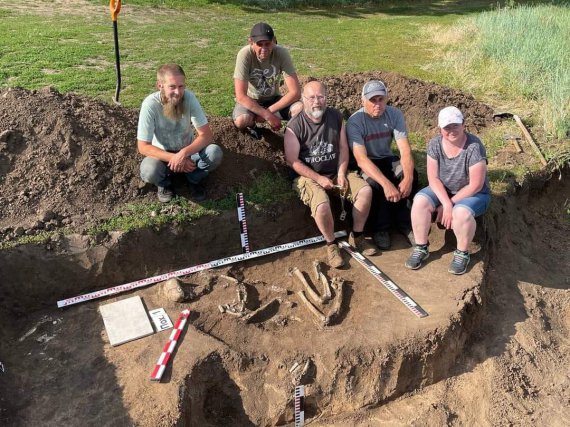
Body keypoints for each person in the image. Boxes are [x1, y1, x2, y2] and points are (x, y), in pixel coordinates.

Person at [284, 80, 377, 268]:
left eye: (320, 97)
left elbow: (343, 148)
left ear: (326, 98)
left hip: (335, 171)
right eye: (311, 98)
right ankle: (331, 244)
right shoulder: (294, 126)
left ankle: (357, 236)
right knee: (322, 205)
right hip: (309, 176)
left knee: (365, 191)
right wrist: (318, 178)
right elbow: (292, 160)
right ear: (303, 99)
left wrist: (342, 173)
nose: (316, 102)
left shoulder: (335, 117)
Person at [405, 106, 491, 275]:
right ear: (440, 129)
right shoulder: (435, 144)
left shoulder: (474, 147)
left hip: (474, 194)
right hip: (444, 189)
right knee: (420, 201)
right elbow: (433, 178)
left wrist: (449, 204)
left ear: (463, 125)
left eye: (455, 125)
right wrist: (445, 202)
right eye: (447, 127)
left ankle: (462, 253)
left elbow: (475, 185)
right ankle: (421, 247)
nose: (451, 131)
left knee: (461, 213)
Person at [346, 80, 418, 250]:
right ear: (363, 101)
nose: (377, 104)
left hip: (387, 157)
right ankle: (380, 229)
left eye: (381, 99)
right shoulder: (355, 122)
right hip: (368, 161)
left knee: (408, 175)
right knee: (374, 184)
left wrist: (408, 177)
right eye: (373, 100)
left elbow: (405, 150)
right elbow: (361, 159)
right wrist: (386, 184)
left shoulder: (395, 115)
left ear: (386, 99)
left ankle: (405, 224)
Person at [137, 63, 223, 203]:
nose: (178, 92)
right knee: (148, 170)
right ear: (160, 85)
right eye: (172, 87)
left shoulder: (189, 98)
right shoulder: (150, 105)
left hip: (188, 153)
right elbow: (143, 147)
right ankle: (165, 183)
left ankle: (193, 179)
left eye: (181, 86)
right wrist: (173, 158)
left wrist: (183, 154)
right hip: (162, 156)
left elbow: (206, 135)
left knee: (214, 153)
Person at [233, 22, 303, 138]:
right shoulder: (244, 55)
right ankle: (255, 129)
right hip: (251, 101)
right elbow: (240, 96)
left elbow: (295, 92)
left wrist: (268, 112)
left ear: (274, 41)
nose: (264, 49)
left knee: (299, 109)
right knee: (242, 121)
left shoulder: (281, 53)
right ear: (251, 42)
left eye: (267, 44)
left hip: (273, 99)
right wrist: (267, 115)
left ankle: (290, 136)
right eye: (259, 44)